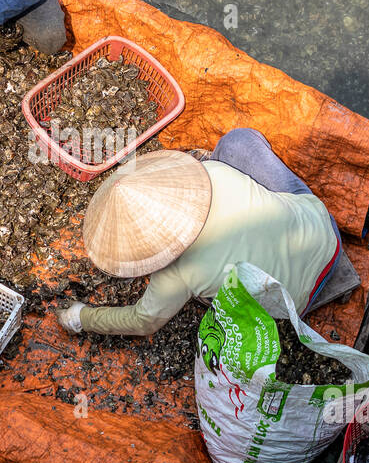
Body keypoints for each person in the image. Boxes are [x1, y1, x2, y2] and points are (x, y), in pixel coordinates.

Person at [56, 129, 345, 336]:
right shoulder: (214, 172)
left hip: (295, 304)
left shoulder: (173, 276)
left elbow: (142, 321)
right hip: (325, 234)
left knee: (204, 290)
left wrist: (82, 317)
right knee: (237, 142)